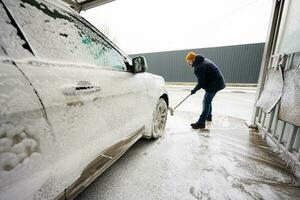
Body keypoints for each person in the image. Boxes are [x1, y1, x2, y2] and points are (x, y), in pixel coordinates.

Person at [185, 52, 225, 129]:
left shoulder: (199, 67)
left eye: (189, 61)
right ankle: (208, 117)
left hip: (214, 84)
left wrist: (194, 90)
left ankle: (201, 122)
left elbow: (201, 83)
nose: (188, 64)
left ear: (193, 59)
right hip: (217, 82)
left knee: (206, 101)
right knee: (208, 100)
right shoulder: (203, 60)